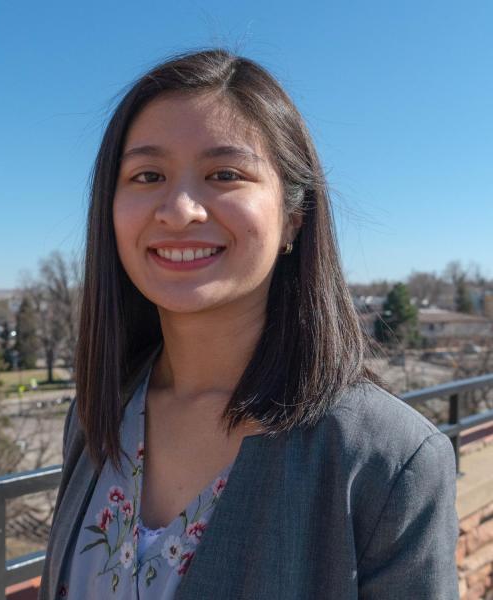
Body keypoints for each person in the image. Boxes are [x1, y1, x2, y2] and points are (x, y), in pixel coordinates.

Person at [39, 48, 459, 599]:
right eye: (147, 174)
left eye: (225, 174)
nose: (180, 209)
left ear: (293, 217)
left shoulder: (387, 461)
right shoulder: (97, 415)